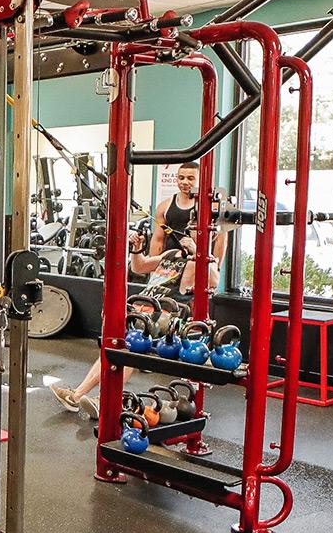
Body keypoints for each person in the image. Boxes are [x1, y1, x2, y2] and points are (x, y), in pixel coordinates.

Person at [53, 162, 228, 418]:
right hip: (148, 305)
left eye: (191, 178)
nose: (185, 182)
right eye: (181, 177)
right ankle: (79, 396)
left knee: (130, 346)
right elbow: (141, 265)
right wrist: (137, 249)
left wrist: (198, 252)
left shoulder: (200, 262)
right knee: (116, 343)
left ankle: (104, 402)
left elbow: (214, 279)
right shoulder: (172, 251)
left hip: (170, 315)